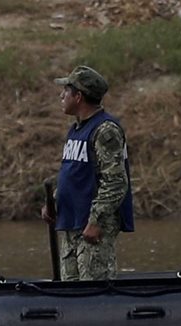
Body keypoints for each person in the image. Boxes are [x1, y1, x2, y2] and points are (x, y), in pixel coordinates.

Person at [41, 65, 135, 281]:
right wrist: (53, 202)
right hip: (72, 223)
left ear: (79, 96)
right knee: (70, 293)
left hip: (91, 229)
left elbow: (116, 182)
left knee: (93, 292)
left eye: (66, 91)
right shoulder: (76, 130)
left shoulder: (105, 130)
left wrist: (96, 221)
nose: (61, 95)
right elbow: (75, 174)